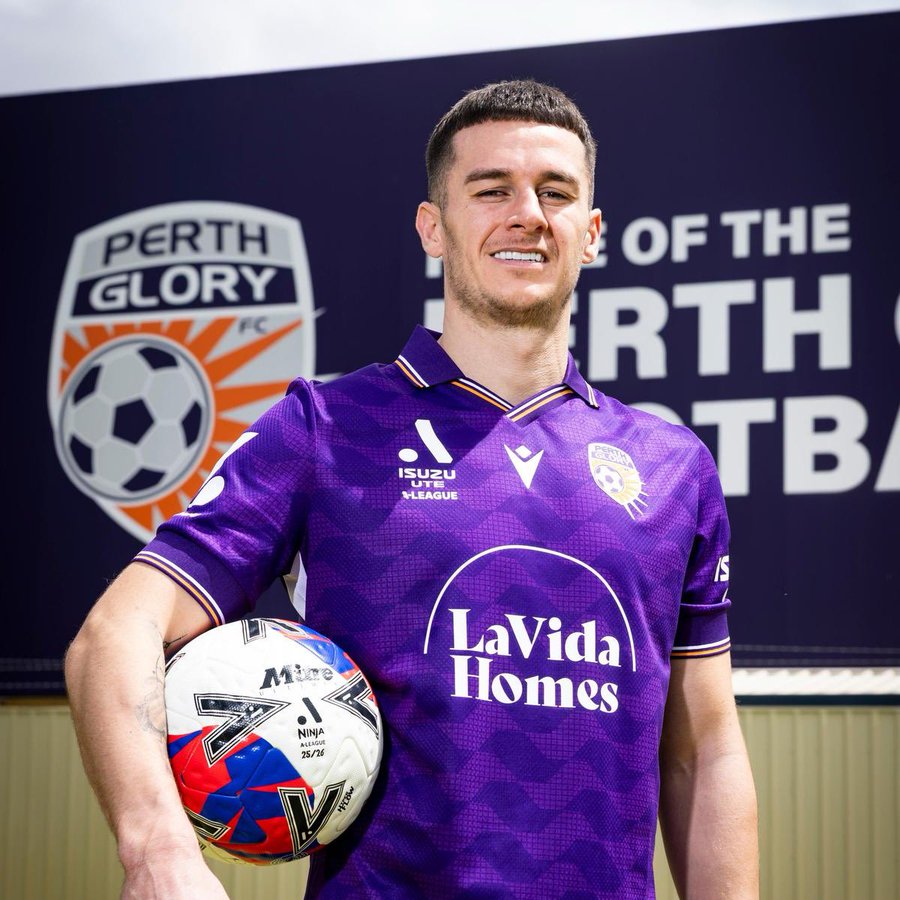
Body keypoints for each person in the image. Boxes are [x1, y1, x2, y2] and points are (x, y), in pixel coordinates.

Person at [66, 80, 758, 899]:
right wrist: (158, 850)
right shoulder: (325, 429)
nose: (527, 214)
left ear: (591, 232)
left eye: (556, 192)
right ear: (433, 227)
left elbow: (702, 753)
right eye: (491, 189)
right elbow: (116, 635)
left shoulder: (673, 466)